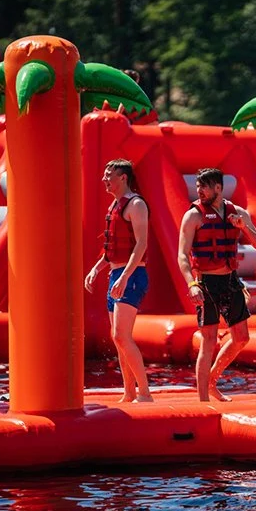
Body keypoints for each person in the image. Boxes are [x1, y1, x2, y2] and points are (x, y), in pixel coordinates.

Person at [177, 167, 256, 402]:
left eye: (204, 186)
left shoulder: (238, 213)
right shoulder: (193, 215)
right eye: (197, 186)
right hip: (205, 282)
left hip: (230, 281)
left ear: (218, 188)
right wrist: (191, 284)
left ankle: (212, 381)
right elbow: (182, 255)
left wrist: (243, 227)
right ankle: (204, 400)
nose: (199, 191)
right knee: (208, 340)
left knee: (242, 338)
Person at [85, 159, 153, 402]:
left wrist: (124, 277)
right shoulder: (115, 205)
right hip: (117, 274)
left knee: (121, 336)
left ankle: (145, 392)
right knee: (118, 338)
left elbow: (141, 244)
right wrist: (97, 268)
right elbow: (112, 249)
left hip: (131, 275)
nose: (104, 179)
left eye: (109, 175)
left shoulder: (136, 204)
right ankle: (129, 392)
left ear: (123, 177)